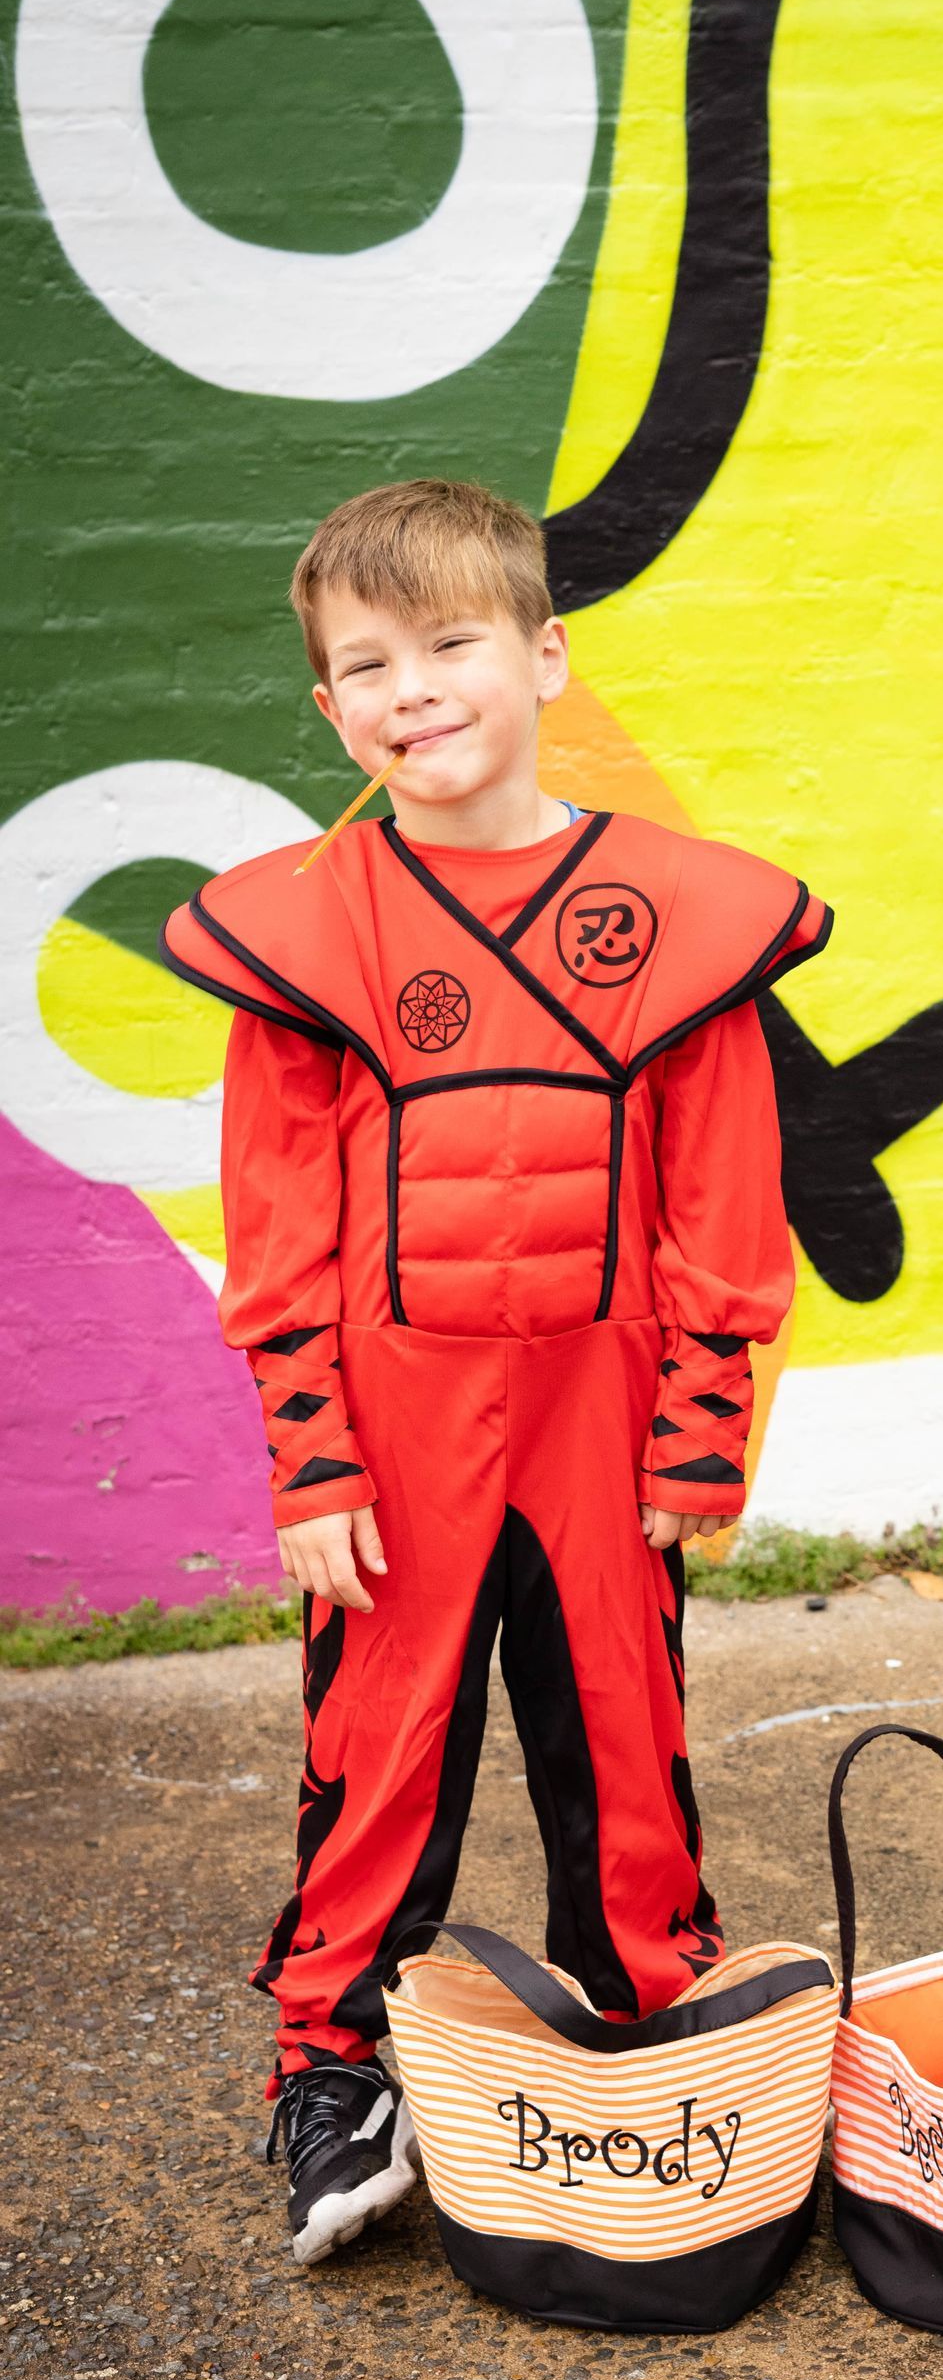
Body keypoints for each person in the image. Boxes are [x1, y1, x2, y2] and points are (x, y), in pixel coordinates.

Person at [162, 479, 829, 2267]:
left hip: (605, 1409)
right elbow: (278, 1220)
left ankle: (649, 2023)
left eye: (450, 643)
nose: (412, 689)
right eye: (364, 665)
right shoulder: (305, 925)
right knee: (377, 1746)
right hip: (393, 1413)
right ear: (328, 709)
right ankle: (334, 2064)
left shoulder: (673, 912)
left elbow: (719, 1193)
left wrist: (704, 1424)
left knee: (624, 1723)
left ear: (542, 655)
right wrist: (311, 1458)